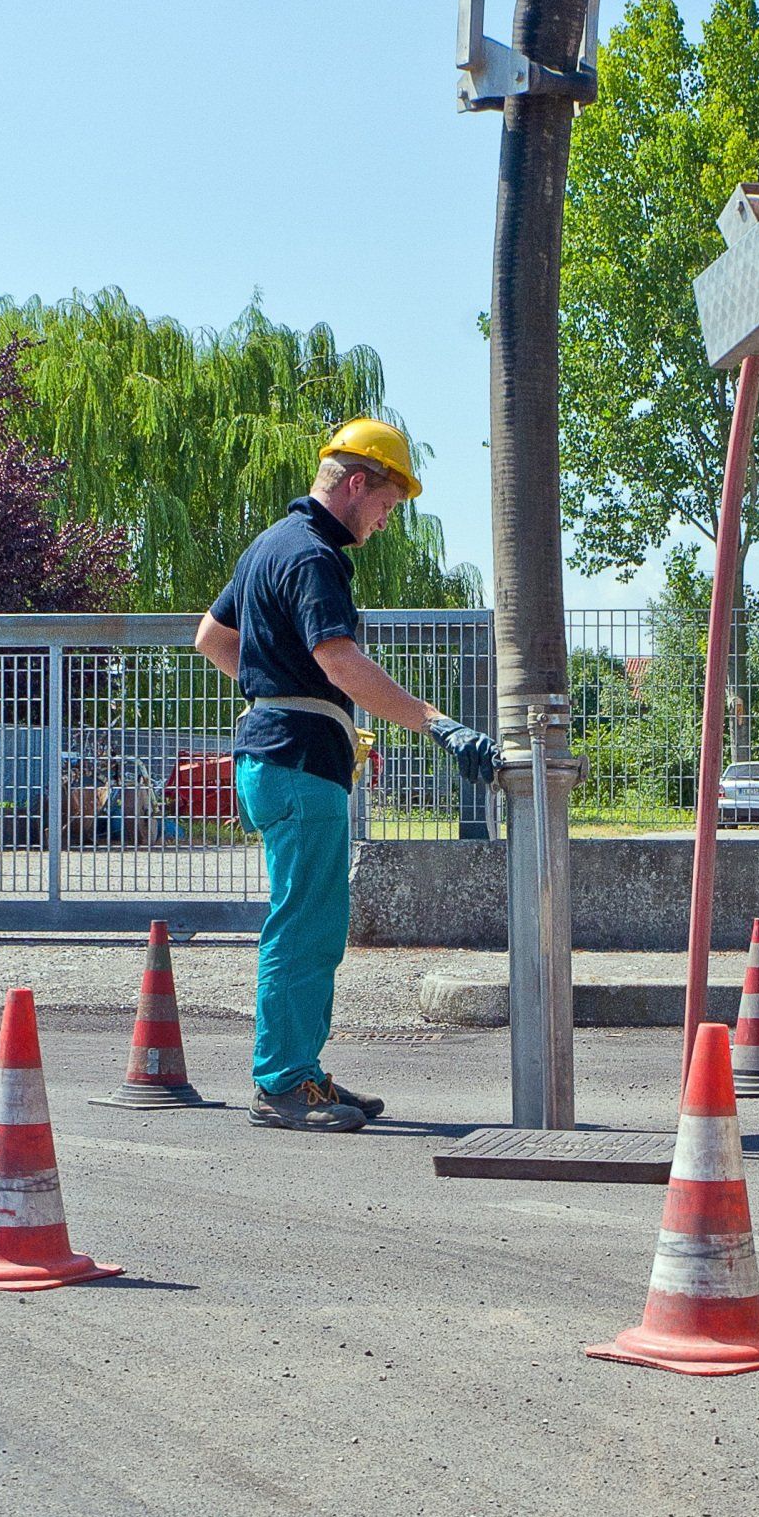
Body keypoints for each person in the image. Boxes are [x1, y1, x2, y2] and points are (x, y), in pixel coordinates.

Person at [194, 420, 500, 1131]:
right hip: (298, 767)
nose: (386, 521)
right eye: (387, 505)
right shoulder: (315, 557)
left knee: (309, 920)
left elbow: (212, 637)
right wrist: (436, 722)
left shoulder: (267, 545)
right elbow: (339, 660)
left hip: (274, 757)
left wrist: (282, 691)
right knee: (305, 926)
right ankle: (284, 1082)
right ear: (356, 483)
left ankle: (299, 1071)